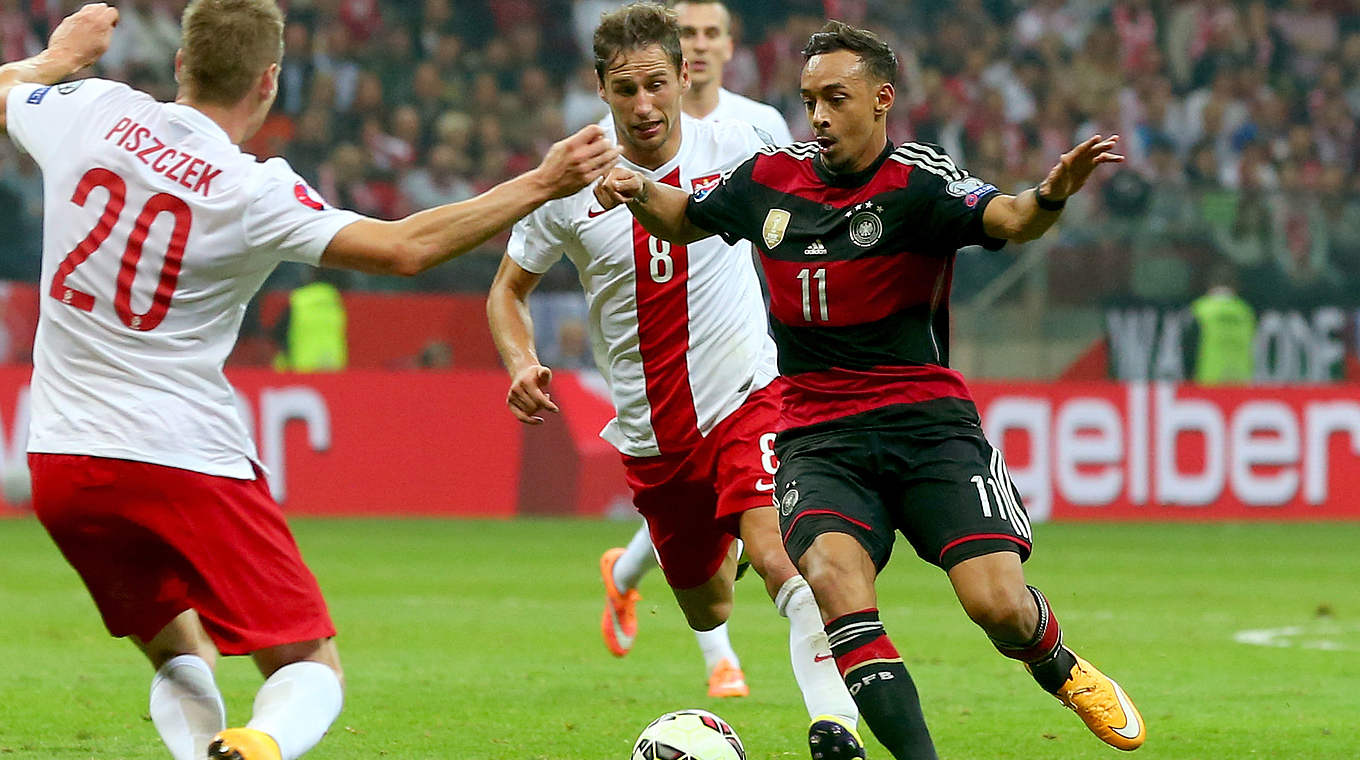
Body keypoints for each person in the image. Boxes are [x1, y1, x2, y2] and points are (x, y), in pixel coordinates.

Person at [1, 3, 615, 760]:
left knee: (175, 648)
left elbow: (6, 89)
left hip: (61, 459)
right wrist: (543, 181)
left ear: (180, 65)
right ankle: (255, 753)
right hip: (179, 456)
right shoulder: (251, 189)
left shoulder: (91, 110)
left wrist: (58, 59)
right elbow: (404, 249)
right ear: (269, 83)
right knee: (309, 668)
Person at [596, 20, 1146, 759]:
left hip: (928, 428)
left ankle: (1057, 663)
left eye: (836, 98)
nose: (818, 116)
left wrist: (1050, 193)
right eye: (809, 100)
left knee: (996, 605)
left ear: (881, 100)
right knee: (832, 586)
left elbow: (1010, 218)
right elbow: (683, 218)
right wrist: (634, 188)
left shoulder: (920, 183)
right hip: (818, 437)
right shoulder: (768, 181)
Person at [487, 4, 862, 757]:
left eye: (657, 84)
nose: (644, 105)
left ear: (684, 74)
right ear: (601, 88)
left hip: (747, 398)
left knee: (784, 558)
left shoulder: (739, 142)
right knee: (708, 604)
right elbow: (506, 291)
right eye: (625, 90)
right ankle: (646, 561)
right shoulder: (568, 184)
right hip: (653, 436)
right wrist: (521, 360)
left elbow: (819, 208)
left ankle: (836, 727)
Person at [593, 0, 794, 700]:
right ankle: (628, 579)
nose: (702, 46)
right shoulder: (599, 152)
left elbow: (785, 223)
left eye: (712, 34)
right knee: (708, 575)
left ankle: (723, 664)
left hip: (743, 364)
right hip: (655, 386)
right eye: (694, 33)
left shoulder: (756, 128)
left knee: (769, 540)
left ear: (722, 49)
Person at [1185, 264, 1256, 385]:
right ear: (1235, 285)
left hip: (1207, 379)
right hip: (1240, 380)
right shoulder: (1245, 311)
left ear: (1209, 284)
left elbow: (1188, 347)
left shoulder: (1199, 310)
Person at [272, 268, 349, 372]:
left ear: (311, 275)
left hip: (301, 367)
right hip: (332, 366)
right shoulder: (336, 302)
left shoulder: (299, 299)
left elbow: (279, 333)